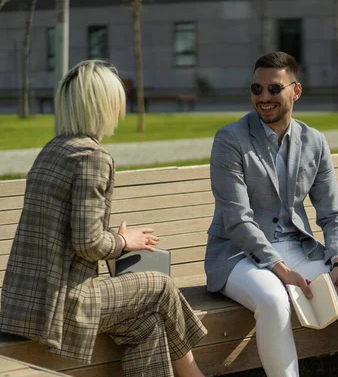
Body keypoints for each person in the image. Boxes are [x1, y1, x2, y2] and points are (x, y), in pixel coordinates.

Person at [0, 60, 207, 377]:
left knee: (146, 325)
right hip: (64, 306)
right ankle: (195, 374)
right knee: (161, 286)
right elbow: (87, 243)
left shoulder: (53, 149)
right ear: (104, 105)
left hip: (24, 304)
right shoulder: (93, 157)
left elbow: (70, 230)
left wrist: (112, 236)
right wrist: (124, 241)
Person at [205, 51, 338, 377]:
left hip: (301, 252)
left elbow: (332, 214)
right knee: (274, 299)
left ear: (296, 91)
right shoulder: (231, 139)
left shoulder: (314, 141)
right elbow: (238, 219)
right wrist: (281, 271)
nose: (263, 98)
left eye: (274, 89)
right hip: (238, 256)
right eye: (256, 89)